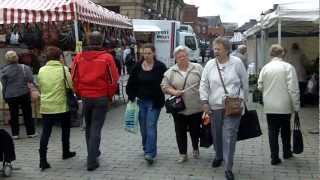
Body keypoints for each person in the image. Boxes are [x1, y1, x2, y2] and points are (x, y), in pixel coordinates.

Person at [199, 37, 248, 180]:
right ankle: (219, 155)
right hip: (215, 106)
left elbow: (244, 83)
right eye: (214, 48)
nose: (215, 51)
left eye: (218, 49)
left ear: (227, 50)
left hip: (233, 106)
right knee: (217, 134)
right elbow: (204, 83)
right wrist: (204, 101)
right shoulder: (209, 64)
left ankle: (228, 167)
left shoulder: (237, 63)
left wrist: (243, 101)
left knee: (229, 136)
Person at [71, 31, 119, 171]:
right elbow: (113, 80)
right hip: (101, 97)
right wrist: (110, 96)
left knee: (89, 126)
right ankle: (92, 159)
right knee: (96, 128)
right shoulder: (107, 58)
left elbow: (73, 77)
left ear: (88, 40)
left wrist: (78, 92)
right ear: (101, 41)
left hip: (86, 96)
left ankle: (92, 153)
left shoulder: (79, 57)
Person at [258, 44, 300, 165]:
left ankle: (274, 157)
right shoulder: (288, 67)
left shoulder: (265, 68)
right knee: (286, 130)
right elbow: (293, 89)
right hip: (285, 105)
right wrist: (296, 106)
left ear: (271, 54)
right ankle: (287, 152)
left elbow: (260, 86)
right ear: (282, 53)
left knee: (272, 131)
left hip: (270, 106)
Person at [126, 43, 167, 165]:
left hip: (154, 102)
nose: (147, 55)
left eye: (149, 53)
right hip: (140, 102)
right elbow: (131, 83)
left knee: (150, 126)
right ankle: (146, 147)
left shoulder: (160, 67)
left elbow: (167, 82)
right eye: (144, 53)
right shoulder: (137, 67)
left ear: (154, 53)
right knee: (143, 128)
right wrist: (131, 97)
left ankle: (150, 153)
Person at [161, 45, 203, 163]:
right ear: (176, 58)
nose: (182, 58)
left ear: (188, 56)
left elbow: (205, 83)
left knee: (195, 131)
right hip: (179, 108)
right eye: (179, 57)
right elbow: (164, 86)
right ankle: (183, 154)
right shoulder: (171, 71)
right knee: (180, 132)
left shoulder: (197, 68)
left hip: (196, 107)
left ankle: (195, 148)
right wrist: (174, 92)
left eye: (184, 56)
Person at [37, 46, 76, 171]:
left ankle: (42, 160)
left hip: (46, 106)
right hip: (62, 105)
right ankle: (66, 151)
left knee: (46, 133)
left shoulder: (41, 70)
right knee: (65, 130)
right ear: (59, 57)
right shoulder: (64, 69)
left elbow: (40, 85)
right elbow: (71, 86)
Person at [0, 51, 37, 139]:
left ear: (7, 60)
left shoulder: (4, 70)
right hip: (24, 93)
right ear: (17, 58)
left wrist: (4, 95)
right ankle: (30, 133)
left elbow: (4, 84)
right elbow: (31, 79)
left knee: (13, 114)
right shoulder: (25, 68)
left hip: (10, 95)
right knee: (27, 113)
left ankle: (15, 134)